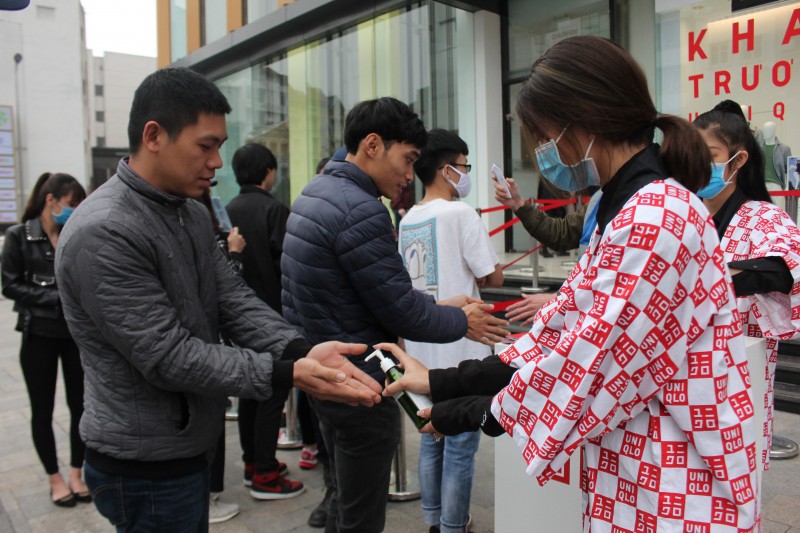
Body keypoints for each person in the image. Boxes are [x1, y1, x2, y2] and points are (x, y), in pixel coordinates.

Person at [383, 36, 759, 532]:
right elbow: (559, 336)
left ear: (580, 123)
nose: (544, 153)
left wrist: (461, 411)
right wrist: (440, 384)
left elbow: (587, 363)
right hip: (646, 468)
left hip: (682, 481)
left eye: (542, 135)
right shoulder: (624, 209)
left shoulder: (657, 217)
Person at [54, 67, 382, 533]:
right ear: (154, 136)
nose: (217, 163)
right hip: (144, 464)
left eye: (220, 147)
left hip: (186, 446)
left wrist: (300, 350)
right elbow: (168, 356)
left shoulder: (187, 208)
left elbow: (231, 299)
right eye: (205, 146)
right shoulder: (104, 231)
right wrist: (288, 373)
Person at [281, 96, 509, 533]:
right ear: (372, 145)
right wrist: (464, 320)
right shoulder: (361, 209)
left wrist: (441, 306)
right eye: (406, 160)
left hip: (324, 368)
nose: (408, 175)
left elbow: (378, 292)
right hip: (362, 380)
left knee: (345, 499)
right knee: (362, 514)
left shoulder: (316, 192)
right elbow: (401, 309)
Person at [398, 128, 503, 533]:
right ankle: (453, 525)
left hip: (424, 343)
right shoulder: (461, 213)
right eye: (464, 166)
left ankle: (433, 521)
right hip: (463, 344)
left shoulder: (408, 219)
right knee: (460, 441)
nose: (466, 173)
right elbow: (490, 275)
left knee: (430, 433)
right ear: (446, 169)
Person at [694, 100, 800, 470]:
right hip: (686, 372)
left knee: (736, 474)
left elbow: (784, 269)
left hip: (740, 371)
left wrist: (707, 280)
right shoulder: (685, 215)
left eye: (707, 155)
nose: (696, 165)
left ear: (736, 161)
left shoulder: (764, 217)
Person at [1, 172, 88, 507]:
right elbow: (9, 285)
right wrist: (54, 295)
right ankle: (55, 478)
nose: (74, 210)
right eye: (71, 204)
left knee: (81, 406)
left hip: (74, 336)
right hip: (38, 335)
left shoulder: (73, 234)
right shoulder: (18, 236)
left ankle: (77, 473)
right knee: (43, 409)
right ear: (51, 200)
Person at [225, 142, 306, 500]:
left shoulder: (227, 210)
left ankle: (251, 463)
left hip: (237, 315)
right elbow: (287, 266)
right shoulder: (275, 211)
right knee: (273, 393)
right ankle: (266, 474)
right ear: (268, 172)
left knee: (249, 392)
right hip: (272, 317)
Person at [491, 173, 601, 325]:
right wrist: (518, 203)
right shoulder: (600, 198)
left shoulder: (638, 200)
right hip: (583, 314)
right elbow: (561, 232)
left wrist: (562, 298)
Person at [198, 187, 245, 523]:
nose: (214, 164)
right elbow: (228, 289)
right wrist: (235, 253)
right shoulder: (204, 233)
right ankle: (208, 496)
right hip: (206, 348)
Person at [758, 120, 792, 211]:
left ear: (773, 131)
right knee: (761, 212)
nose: (765, 132)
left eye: (768, 130)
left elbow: (789, 169)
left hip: (776, 185)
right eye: (764, 130)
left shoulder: (784, 149)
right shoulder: (758, 149)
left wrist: (789, 186)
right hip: (761, 185)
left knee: (779, 212)